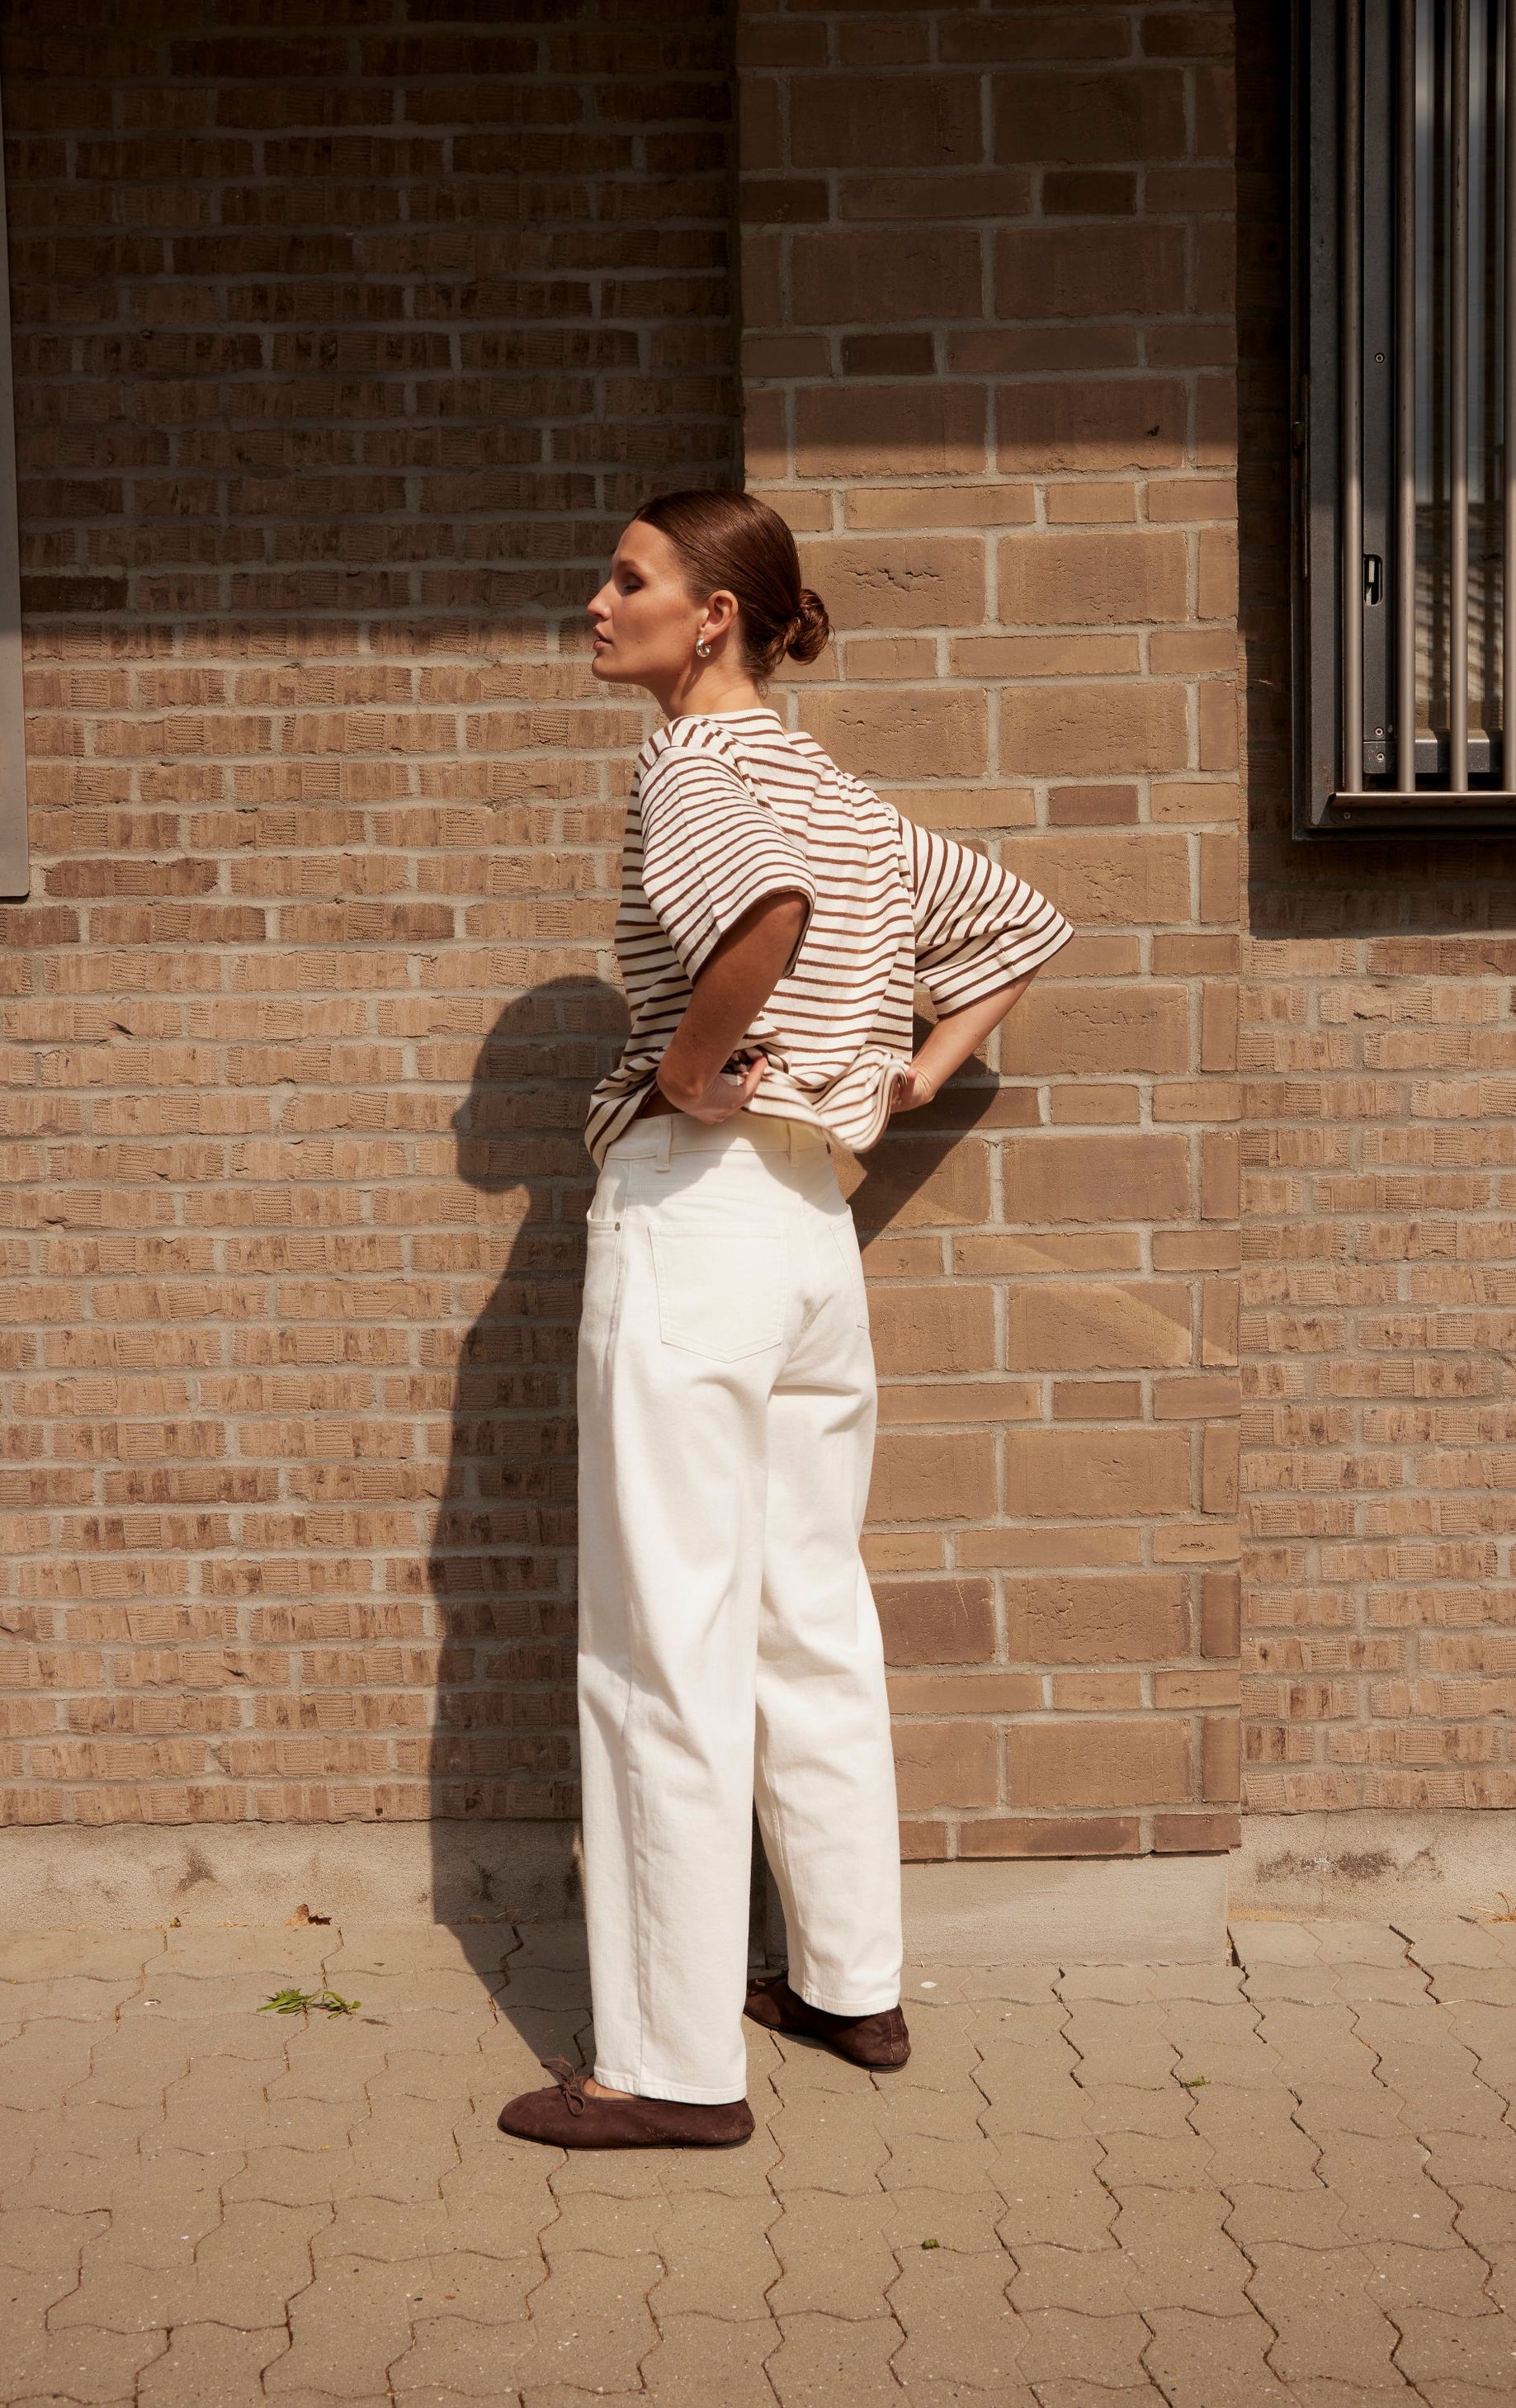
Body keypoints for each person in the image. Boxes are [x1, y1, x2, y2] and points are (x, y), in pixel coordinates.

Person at [498, 489, 1073, 2151]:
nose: (597, 600)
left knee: (663, 1639)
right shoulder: (835, 790)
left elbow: (760, 917)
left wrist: (688, 1069)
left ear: (714, 618)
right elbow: (1019, 922)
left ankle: (669, 2066)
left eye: (628, 577)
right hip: (813, 1230)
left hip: (698, 1217)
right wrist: (912, 1071)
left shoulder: (694, 764)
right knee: (806, 1611)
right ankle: (846, 1981)